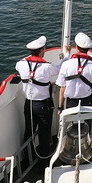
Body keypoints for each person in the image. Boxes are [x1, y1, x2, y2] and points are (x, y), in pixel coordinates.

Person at [17, 35, 56, 167]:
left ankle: (26, 161)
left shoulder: (21, 64)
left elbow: (18, 67)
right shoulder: (46, 67)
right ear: (42, 50)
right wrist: (67, 55)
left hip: (28, 104)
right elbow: (60, 70)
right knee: (44, 134)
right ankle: (43, 164)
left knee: (29, 132)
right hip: (43, 106)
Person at [57, 32, 92, 109]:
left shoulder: (66, 64)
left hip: (71, 103)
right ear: (88, 49)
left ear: (77, 47)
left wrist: (60, 107)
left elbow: (62, 89)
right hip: (88, 102)